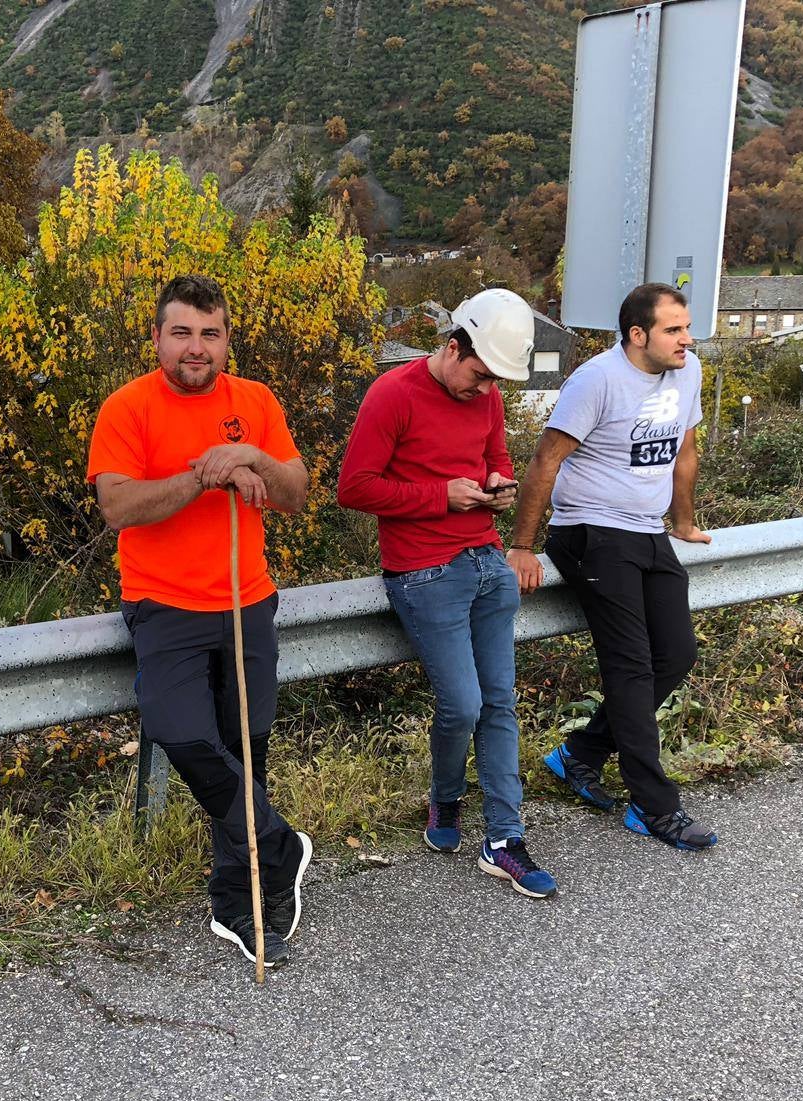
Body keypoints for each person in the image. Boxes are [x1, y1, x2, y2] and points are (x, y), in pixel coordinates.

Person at [86, 274, 314, 966]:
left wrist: (250, 456)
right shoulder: (127, 408)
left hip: (249, 601)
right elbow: (119, 507)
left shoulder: (256, 401)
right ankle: (279, 845)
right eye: (181, 332)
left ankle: (238, 906)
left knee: (244, 755)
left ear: (226, 341)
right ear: (156, 337)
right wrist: (202, 476)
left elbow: (297, 493)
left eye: (209, 334)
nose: (196, 347)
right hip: (165, 607)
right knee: (183, 734)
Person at [338, 288, 558, 899]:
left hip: (486, 564)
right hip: (422, 572)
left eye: (497, 383)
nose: (487, 391)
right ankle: (444, 798)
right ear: (452, 345)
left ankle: (504, 840)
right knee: (463, 705)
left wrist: (497, 484)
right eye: (481, 376)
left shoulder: (485, 397)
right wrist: (443, 497)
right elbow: (353, 487)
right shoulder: (393, 395)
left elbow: (496, 458)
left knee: (499, 704)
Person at [510, 282, 717, 851]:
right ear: (637, 334)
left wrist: (682, 521)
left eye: (687, 326)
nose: (686, 338)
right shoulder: (596, 380)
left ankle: (579, 754)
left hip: (649, 533)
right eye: (673, 329)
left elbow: (684, 449)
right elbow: (546, 460)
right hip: (590, 533)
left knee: (676, 654)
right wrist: (523, 545)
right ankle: (653, 808)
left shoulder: (688, 371)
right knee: (631, 668)